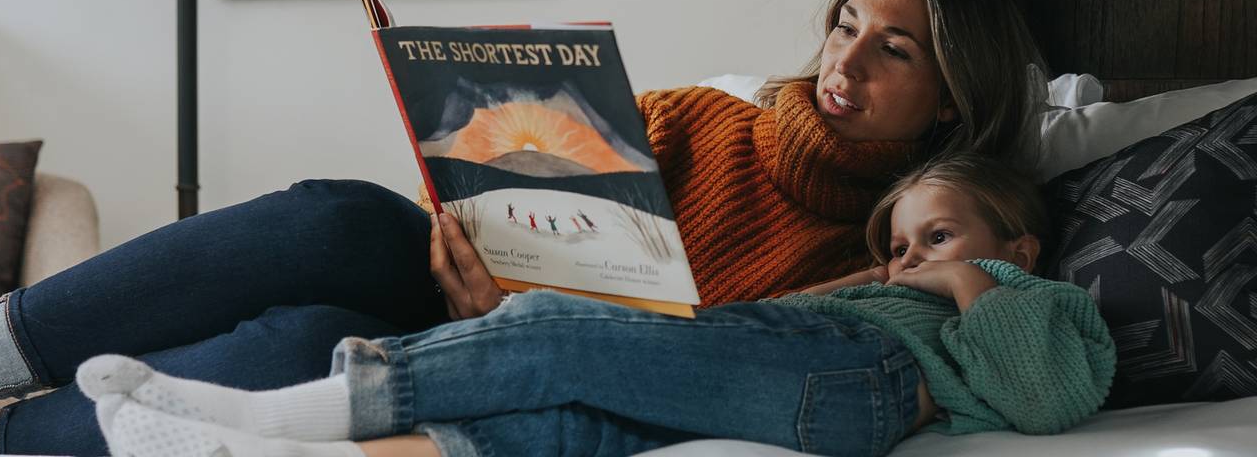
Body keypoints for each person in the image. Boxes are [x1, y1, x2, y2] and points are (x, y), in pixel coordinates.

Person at [0, 0, 1049, 455]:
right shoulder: (694, 118)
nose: (845, 66)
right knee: (336, 217)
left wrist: (519, 317)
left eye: (893, 49)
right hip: (467, 296)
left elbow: (699, 367)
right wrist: (469, 223)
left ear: (953, 100)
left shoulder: (901, 251)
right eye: (847, 22)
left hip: (528, 351)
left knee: (306, 344)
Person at [78, 154, 1113, 457]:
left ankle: (268, 412)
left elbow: (1045, 396)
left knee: (544, 335)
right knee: (565, 426)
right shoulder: (877, 292)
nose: (910, 261)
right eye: (896, 245)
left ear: (1020, 242)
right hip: (785, 359)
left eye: (938, 234)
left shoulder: (1040, 299)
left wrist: (967, 276)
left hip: (864, 386)